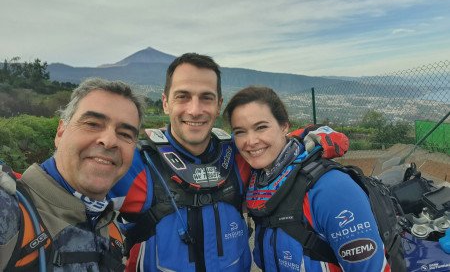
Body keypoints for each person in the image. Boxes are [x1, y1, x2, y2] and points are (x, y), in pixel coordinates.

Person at [110, 53, 253, 272]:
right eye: (182, 96)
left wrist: (315, 140)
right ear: (166, 103)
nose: (195, 110)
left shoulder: (239, 156)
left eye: (206, 97)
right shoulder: (136, 162)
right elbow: (64, 189)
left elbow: (280, 147)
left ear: (219, 105)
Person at [222, 86, 389, 271]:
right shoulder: (259, 184)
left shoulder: (331, 189)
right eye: (240, 132)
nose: (251, 141)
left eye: (261, 127)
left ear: (284, 126)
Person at [0, 77, 146, 271]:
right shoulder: (10, 212)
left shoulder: (112, 231)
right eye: (93, 124)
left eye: (126, 134)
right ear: (60, 132)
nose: (109, 141)